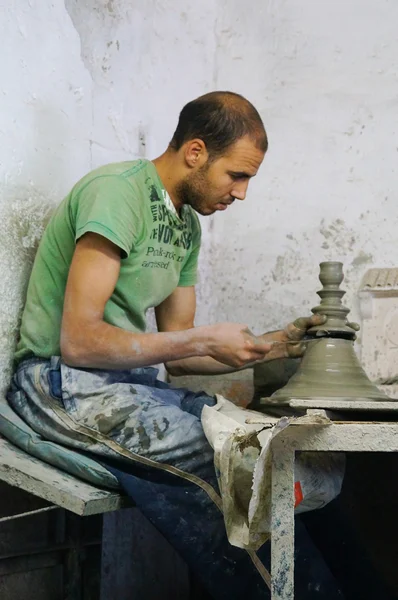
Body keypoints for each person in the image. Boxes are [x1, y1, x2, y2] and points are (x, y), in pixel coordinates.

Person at [8, 91, 346, 599]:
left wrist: (273, 347)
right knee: (237, 459)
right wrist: (205, 336)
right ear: (195, 152)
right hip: (61, 383)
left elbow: (180, 353)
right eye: (237, 175)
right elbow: (78, 341)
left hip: (130, 387)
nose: (243, 192)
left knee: (288, 446)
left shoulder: (185, 224)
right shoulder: (116, 194)